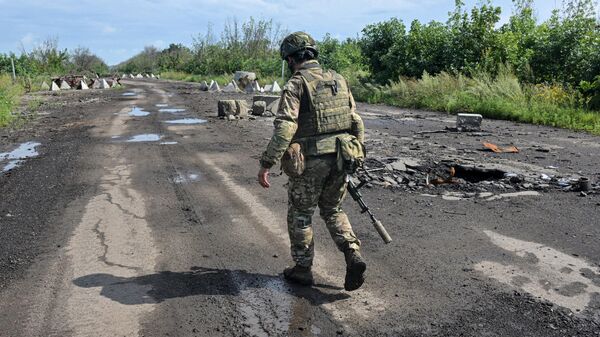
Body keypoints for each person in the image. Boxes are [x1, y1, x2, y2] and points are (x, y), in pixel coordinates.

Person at [257, 32, 366, 291]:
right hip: (343, 157)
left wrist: (266, 163)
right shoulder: (339, 79)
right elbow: (356, 121)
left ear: (292, 58)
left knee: (301, 213)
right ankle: (352, 252)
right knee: (333, 210)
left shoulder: (296, 84)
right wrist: (358, 153)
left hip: (311, 161)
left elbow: (285, 128)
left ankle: (303, 269)